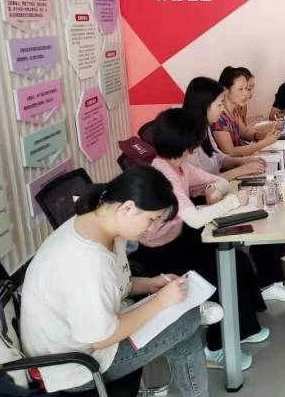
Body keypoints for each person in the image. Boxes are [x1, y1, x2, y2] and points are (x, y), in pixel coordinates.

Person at [20, 166, 210, 396]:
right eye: (151, 219)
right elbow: (100, 339)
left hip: (88, 338)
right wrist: (160, 302)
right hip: (75, 366)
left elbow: (117, 285)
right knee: (187, 319)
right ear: (128, 208)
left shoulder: (105, 227)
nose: (152, 228)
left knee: (184, 322)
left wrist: (152, 284)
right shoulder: (88, 261)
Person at [129, 108, 265, 371]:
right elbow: (193, 219)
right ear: (186, 145)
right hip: (158, 253)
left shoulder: (179, 166)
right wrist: (233, 201)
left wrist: (214, 190)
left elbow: (216, 181)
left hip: (178, 238)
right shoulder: (164, 175)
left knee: (236, 260)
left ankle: (242, 328)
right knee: (221, 272)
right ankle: (216, 347)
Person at [183, 76, 285, 301]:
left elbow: (220, 158)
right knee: (260, 213)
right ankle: (269, 281)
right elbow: (200, 184)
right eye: (218, 104)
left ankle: (279, 264)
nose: (222, 109)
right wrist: (242, 168)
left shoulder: (204, 128)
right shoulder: (188, 137)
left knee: (265, 202)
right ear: (204, 105)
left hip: (220, 189)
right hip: (206, 201)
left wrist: (244, 162)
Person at [214, 67, 281, 157]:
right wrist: (264, 143)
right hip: (234, 163)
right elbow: (230, 152)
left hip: (243, 158)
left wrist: (259, 135)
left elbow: (244, 132)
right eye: (240, 89)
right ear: (225, 90)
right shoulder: (219, 115)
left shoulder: (233, 110)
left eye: (246, 88)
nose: (246, 94)